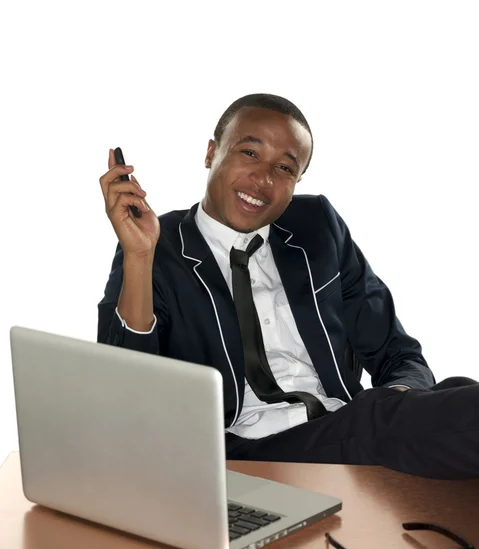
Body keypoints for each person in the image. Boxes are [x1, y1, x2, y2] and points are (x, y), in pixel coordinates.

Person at [98, 93, 479, 480]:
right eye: (249, 153)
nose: (263, 180)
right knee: (393, 418)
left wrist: (402, 400)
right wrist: (140, 258)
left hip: (343, 428)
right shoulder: (156, 248)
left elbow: (398, 354)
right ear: (212, 152)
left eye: (284, 167)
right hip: (245, 453)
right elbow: (124, 391)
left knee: (456, 390)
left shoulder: (317, 228)